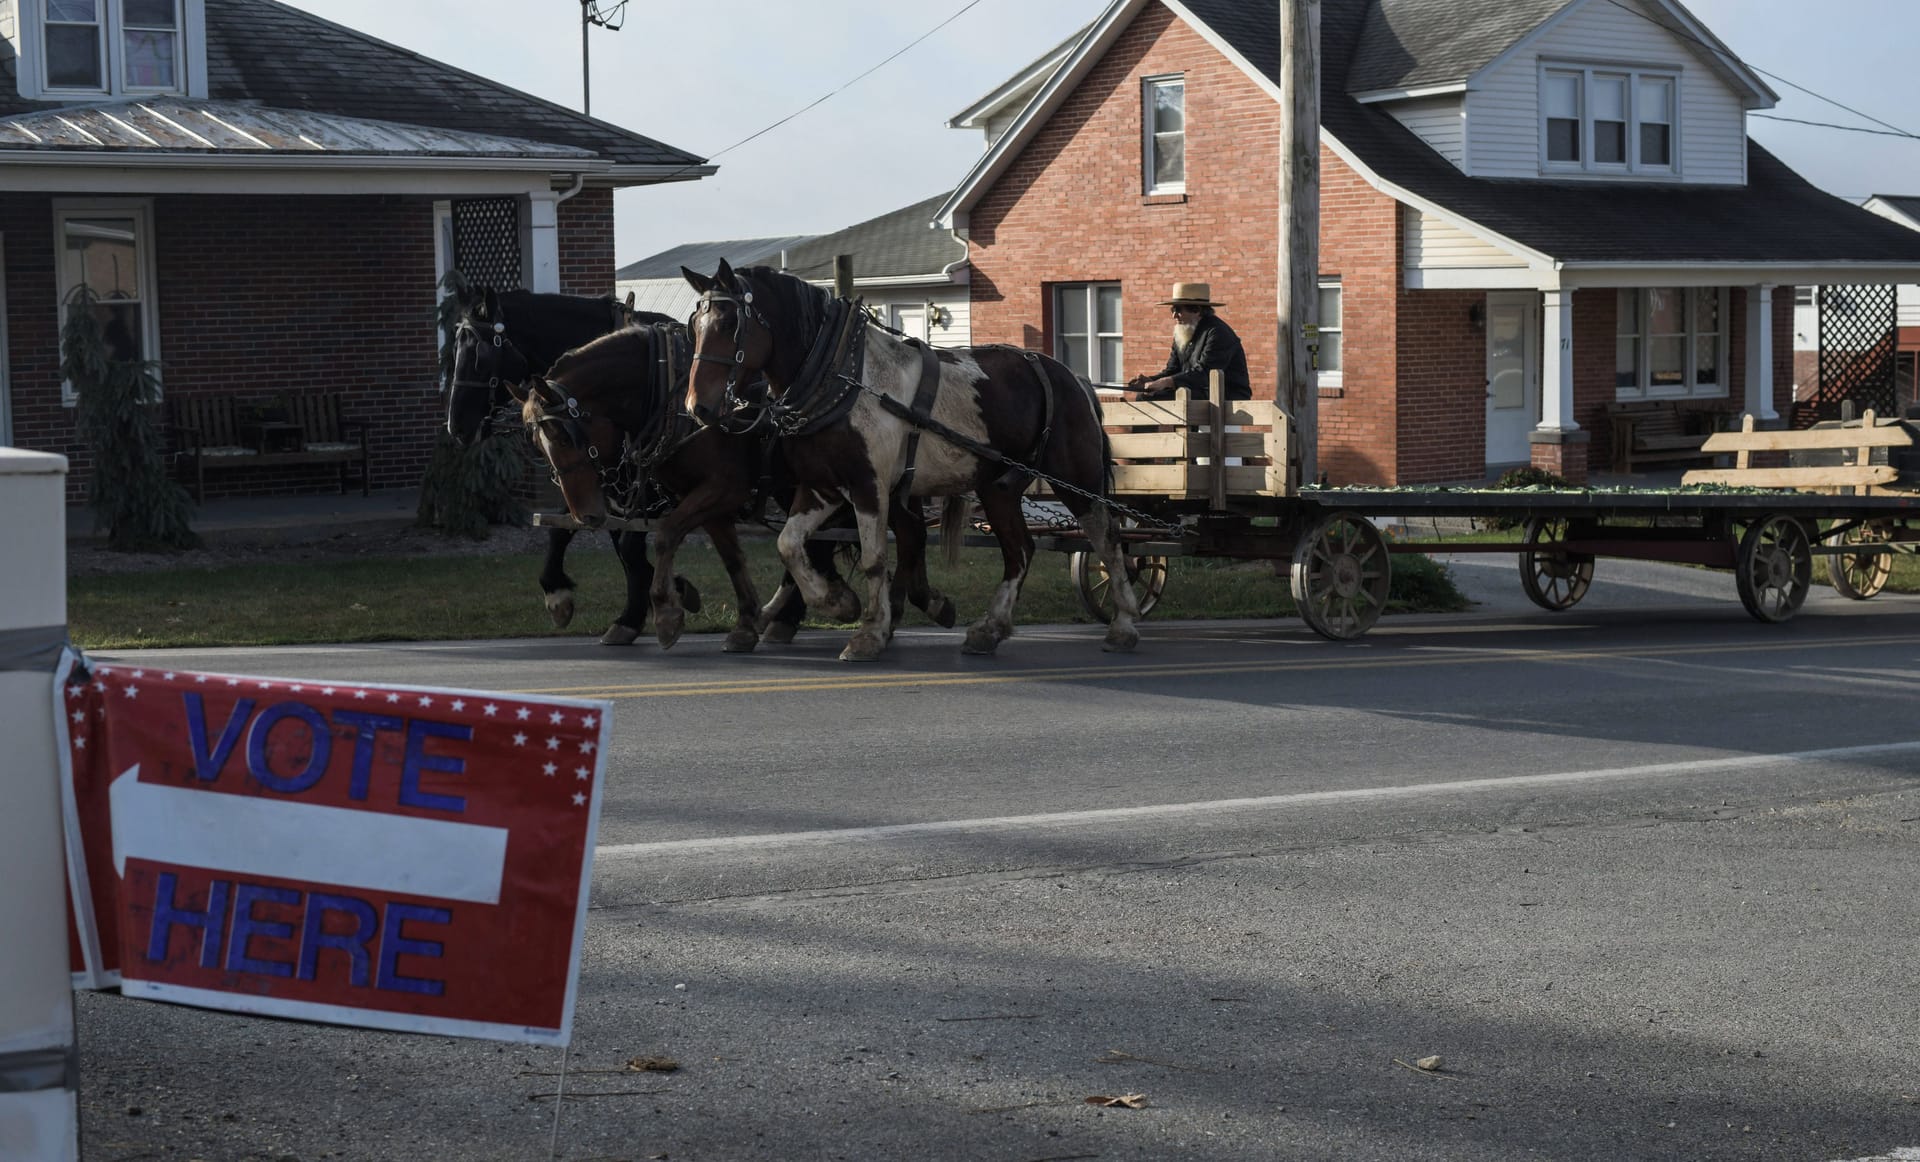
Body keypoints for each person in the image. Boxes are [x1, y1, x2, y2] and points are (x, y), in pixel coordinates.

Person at [1124, 282, 1252, 401]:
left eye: (1178, 310)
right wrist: (1150, 381)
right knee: (1144, 394)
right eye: (1172, 310)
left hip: (1226, 395)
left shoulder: (1218, 332)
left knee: (1149, 398)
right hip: (1197, 392)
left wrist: (1167, 382)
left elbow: (1205, 372)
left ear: (1196, 310)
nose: (1174, 316)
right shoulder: (1183, 332)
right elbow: (1173, 370)